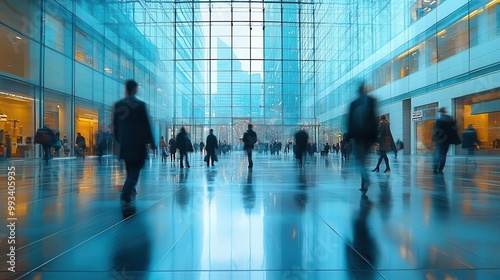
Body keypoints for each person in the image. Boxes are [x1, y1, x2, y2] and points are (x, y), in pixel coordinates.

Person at [113, 79, 155, 203]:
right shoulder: (140, 105)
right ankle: (127, 190)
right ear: (135, 89)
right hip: (138, 143)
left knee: (129, 167)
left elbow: (116, 126)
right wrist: (151, 142)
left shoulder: (118, 105)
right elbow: (146, 124)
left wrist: (120, 140)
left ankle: (131, 189)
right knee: (136, 168)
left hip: (125, 143)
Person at [346, 82, 378, 194]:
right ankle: (364, 186)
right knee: (363, 161)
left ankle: (366, 179)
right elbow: (374, 119)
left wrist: (348, 137)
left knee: (359, 162)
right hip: (369, 137)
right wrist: (375, 137)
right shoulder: (372, 101)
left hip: (359, 137)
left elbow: (350, 121)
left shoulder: (354, 103)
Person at [432, 107, 460, 175]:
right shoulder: (451, 120)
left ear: (441, 112)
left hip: (440, 140)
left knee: (438, 153)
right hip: (447, 140)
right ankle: (440, 168)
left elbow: (436, 130)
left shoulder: (439, 120)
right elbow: (455, 129)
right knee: (443, 154)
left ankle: (435, 168)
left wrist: (433, 138)